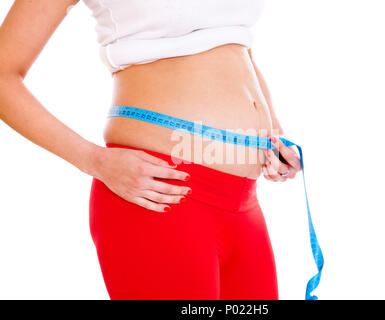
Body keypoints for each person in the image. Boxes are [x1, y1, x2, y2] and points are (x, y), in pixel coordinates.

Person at [0, 0, 302, 299]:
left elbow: (233, 41)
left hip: (244, 203)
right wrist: (93, 159)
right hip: (157, 191)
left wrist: (271, 132)